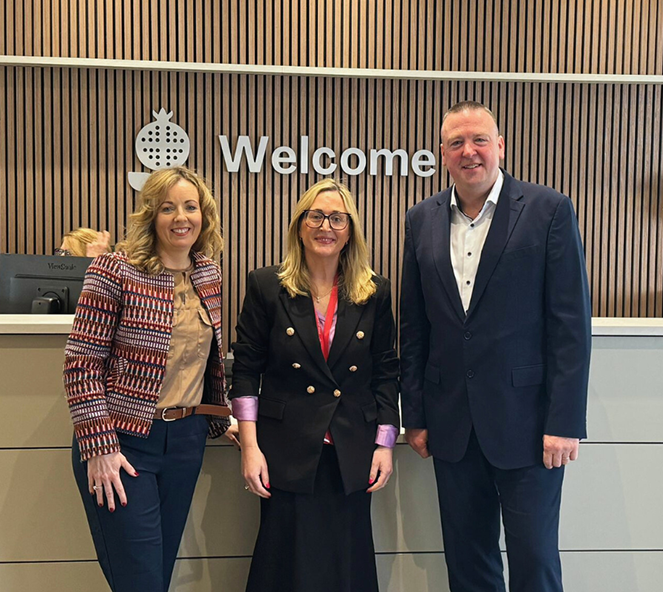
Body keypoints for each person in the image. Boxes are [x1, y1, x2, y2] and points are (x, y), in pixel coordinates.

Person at [399, 101, 592, 592]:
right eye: (456, 143)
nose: (469, 152)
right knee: (468, 560)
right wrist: (415, 414)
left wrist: (564, 422)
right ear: (441, 154)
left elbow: (569, 326)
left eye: (480, 140)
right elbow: (416, 327)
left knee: (534, 559)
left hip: (529, 428)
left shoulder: (548, 210)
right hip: (452, 426)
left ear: (500, 146)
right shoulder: (421, 219)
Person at [64, 166, 237, 592]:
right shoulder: (114, 270)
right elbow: (81, 362)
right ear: (151, 215)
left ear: (204, 215)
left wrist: (223, 413)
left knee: (158, 577)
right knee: (139, 581)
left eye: (191, 206)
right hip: (123, 444)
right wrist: (99, 446)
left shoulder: (208, 274)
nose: (181, 217)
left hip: (186, 443)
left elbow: (204, 359)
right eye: (168, 207)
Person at [231, 178, 400, 592]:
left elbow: (386, 371)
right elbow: (246, 371)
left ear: (350, 231)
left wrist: (385, 443)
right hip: (285, 449)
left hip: (351, 451)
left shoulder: (374, 291)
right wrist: (250, 448)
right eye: (317, 216)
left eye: (338, 219)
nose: (327, 226)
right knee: (285, 565)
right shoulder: (266, 285)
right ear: (300, 226)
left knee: (346, 563)